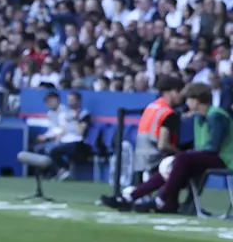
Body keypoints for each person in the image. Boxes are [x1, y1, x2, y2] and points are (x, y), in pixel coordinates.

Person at [105, 83, 233, 213]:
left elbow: (213, 148)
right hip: (209, 157)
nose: (187, 103)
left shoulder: (217, 116)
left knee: (180, 159)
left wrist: (187, 155)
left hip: (224, 159)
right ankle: (130, 197)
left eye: (188, 99)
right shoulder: (199, 118)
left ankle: (160, 200)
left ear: (196, 100)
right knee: (171, 166)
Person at [34, 90, 90, 179]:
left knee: (52, 151)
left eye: (72, 100)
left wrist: (75, 118)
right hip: (65, 140)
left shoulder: (84, 114)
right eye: (68, 100)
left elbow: (80, 132)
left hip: (77, 142)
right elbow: (64, 128)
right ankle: (56, 172)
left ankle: (63, 170)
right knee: (44, 149)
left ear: (78, 101)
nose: (70, 102)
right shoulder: (67, 113)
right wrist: (57, 138)